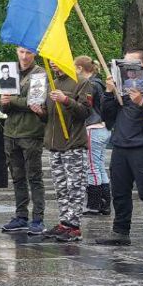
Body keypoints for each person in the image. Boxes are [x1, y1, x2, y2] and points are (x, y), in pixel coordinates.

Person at [93, 50, 143, 251]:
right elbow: (107, 118)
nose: (126, 67)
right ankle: (120, 231)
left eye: (130, 63)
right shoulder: (121, 87)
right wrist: (109, 93)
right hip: (121, 145)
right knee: (120, 192)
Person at [0, 47, 47, 235]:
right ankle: (21, 216)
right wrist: (3, 102)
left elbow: (35, 101)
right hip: (11, 132)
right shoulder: (9, 71)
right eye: (21, 52)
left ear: (34, 53)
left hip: (31, 132)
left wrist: (12, 101)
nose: (24, 56)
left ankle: (38, 218)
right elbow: (3, 105)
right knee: (17, 177)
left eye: (28, 52)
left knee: (34, 177)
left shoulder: (40, 74)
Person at [42, 63, 92, 242]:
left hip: (73, 144)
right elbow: (48, 115)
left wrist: (66, 100)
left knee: (75, 187)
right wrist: (39, 111)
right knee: (61, 187)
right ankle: (64, 222)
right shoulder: (52, 82)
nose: (53, 64)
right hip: (54, 144)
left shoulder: (81, 82)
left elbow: (85, 111)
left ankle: (74, 226)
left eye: (56, 59)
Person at [75, 56, 113, 216]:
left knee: (92, 166)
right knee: (99, 165)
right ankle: (105, 203)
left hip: (93, 127)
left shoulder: (90, 85)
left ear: (79, 69)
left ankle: (94, 204)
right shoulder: (99, 83)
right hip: (103, 127)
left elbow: (88, 107)